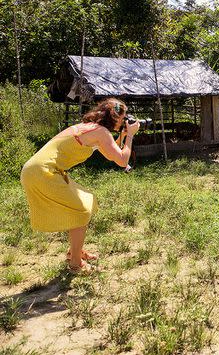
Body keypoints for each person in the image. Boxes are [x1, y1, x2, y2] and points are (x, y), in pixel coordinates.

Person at [20, 98, 139, 273]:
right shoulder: (100, 132)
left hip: (37, 170)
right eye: (123, 118)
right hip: (44, 172)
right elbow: (122, 160)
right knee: (81, 210)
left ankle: (74, 251)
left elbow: (111, 153)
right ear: (114, 118)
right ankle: (75, 264)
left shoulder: (89, 128)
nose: (124, 121)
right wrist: (130, 136)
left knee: (87, 200)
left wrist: (123, 135)